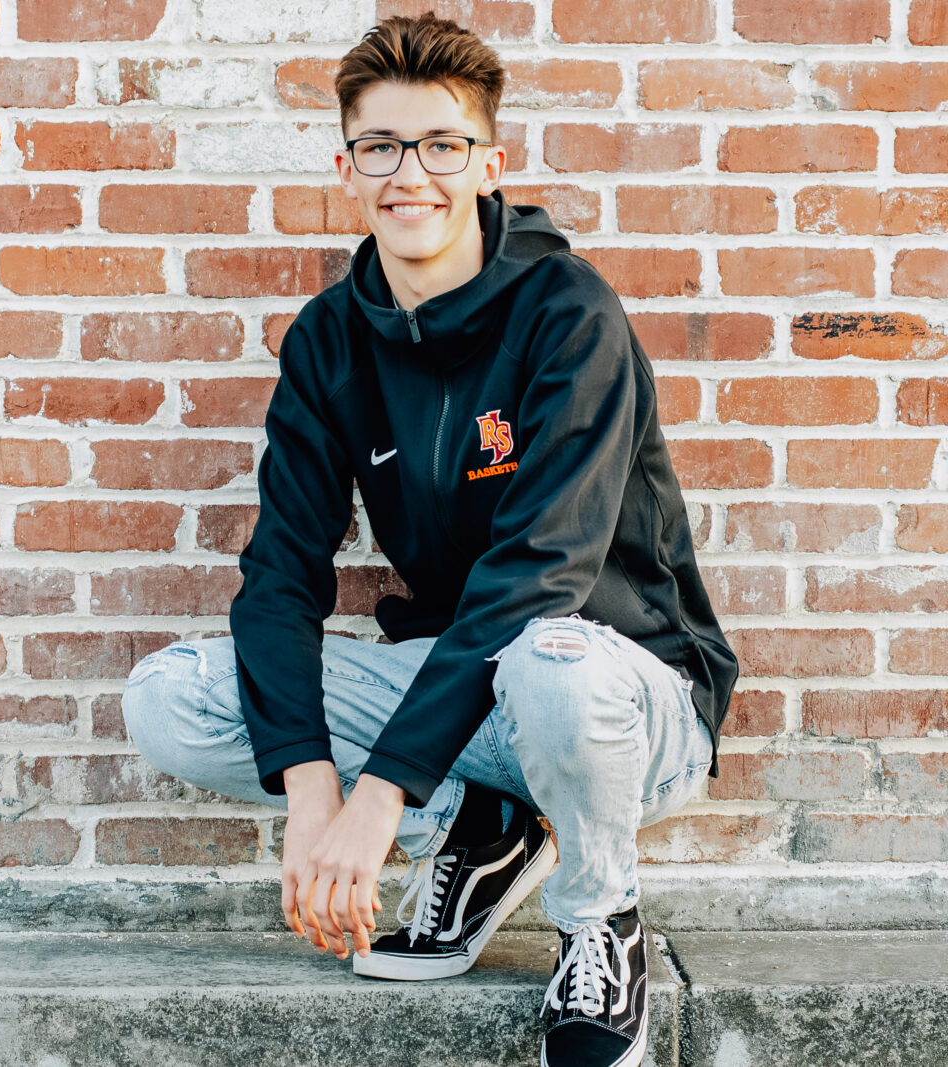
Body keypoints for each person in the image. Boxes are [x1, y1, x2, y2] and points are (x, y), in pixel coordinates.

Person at [120, 12, 739, 1067]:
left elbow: (539, 575)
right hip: (472, 698)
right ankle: (484, 826)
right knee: (172, 696)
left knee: (548, 655)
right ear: (347, 169)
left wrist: (378, 797)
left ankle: (599, 921)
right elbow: (280, 573)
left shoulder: (569, 313)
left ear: (488, 163)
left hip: (624, 698)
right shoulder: (329, 339)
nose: (411, 174)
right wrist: (309, 787)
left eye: (442, 145)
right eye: (381, 147)